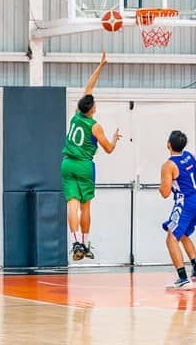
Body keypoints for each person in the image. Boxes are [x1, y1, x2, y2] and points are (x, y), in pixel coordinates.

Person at [61, 51, 122, 261]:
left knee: (72, 203)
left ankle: (75, 241)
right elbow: (109, 149)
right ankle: (85, 244)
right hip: (85, 166)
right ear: (93, 109)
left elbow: (89, 87)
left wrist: (100, 65)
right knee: (85, 206)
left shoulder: (77, 114)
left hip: (67, 163)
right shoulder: (96, 127)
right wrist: (114, 138)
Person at [159, 130, 196, 290]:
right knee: (184, 234)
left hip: (186, 203)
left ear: (168, 144)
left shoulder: (169, 165)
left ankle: (183, 279)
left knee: (171, 239)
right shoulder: (191, 156)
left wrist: (162, 185)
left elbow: (165, 193)